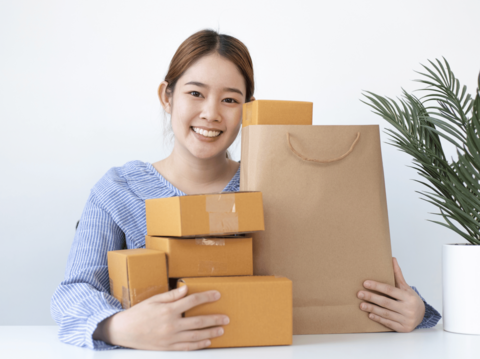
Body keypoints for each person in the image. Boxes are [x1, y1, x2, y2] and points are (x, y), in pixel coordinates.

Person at [50, 29, 441, 351]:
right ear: (166, 97)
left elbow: (339, 276)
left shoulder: (282, 185)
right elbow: (74, 292)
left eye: (230, 100)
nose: (211, 113)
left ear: (248, 111)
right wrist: (115, 328)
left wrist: (415, 310)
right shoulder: (119, 189)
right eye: (195, 93)